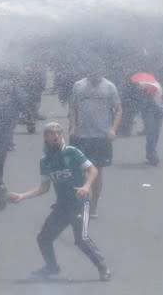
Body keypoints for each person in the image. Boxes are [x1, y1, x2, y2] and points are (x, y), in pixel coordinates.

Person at [7, 122, 111, 281]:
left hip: (80, 203)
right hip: (62, 206)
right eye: (51, 133)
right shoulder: (45, 161)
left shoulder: (71, 152)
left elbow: (93, 169)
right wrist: (22, 196)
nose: (55, 136)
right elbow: (44, 188)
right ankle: (52, 267)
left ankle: (103, 267)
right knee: (44, 238)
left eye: (58, 133)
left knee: (81, 239)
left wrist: (86, 186)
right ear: (45, 137)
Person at [68, 64, 121, 218]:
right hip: (81, 135)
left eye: (98, 74)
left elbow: (118, 109)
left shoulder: (109, 87)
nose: (95, 77)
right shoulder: (79, 86)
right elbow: (72, 107)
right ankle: (82, 203)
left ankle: (94, 205)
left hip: (101, 136)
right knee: (81, 171)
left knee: (97, 171)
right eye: (93, 74)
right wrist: (73, 126)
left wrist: (113, 129)